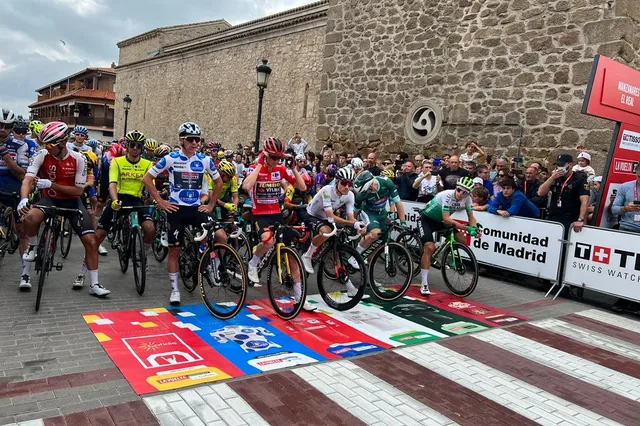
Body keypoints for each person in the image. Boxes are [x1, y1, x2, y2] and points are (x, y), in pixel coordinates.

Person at [19, 122, 109, 297]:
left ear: (62, 143)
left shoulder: (78, 159)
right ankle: (33, 246)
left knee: (91, 242)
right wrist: (23, 199)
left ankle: (94, 283)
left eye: (50, 144)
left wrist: (51, 184)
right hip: (50, 199)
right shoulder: (42, 154)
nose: (47, 148)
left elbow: (78, 190)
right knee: (29, 217)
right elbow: (27, 180)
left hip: (72, 202)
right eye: (45, 144)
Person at [142, 122, 223, 305]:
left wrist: (211, 204)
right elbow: (147, 179)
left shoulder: (204, 160)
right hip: (176, 209)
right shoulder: (170, 158)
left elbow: (218, 183)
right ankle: (175, 290)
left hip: (196, 208)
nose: (195, 143)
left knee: (220, 235)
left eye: (198, 139)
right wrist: (160, 201)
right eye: (191, 139)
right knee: (174, 251)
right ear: (181, 140)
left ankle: (207, 262)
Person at [241, 137, 313, 311]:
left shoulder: (280, 169)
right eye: (273, 157)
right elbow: (246, 186)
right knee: (268, 240)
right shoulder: (255, 167)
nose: (276, 161)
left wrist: (293, 167)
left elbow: (302, 187)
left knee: (291, 257)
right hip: (260, 214)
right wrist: (260, 164)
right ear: (265, 154)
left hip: (276, 214)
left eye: (279, 158)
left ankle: (299, 298)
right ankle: (253, 263)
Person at [87, 131, 155, 289]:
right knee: (98, 237)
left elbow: (150, 186)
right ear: (127, 146)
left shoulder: (147, 164)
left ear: (142, 148)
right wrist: (115, 200)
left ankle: (143, 254)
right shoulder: (117, 162)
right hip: (118, 198)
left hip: (136, 201)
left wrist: (154, 199)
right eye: (132, 145)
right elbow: (112, 183)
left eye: (139, 146)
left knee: (150, 229)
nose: (135, 149)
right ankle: (83, 273)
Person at [301, 167, 363, 294]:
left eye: (350, 184)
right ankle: (307, 256)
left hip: (326, 218)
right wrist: (352, 223)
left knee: (337, 253)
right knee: (326, 231)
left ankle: (349, 287)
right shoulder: (327, 190)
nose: (347, 187)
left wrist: (357, 225)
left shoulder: (350, 195)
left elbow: (350, 218)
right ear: (337, 181)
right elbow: (331, 216)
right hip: (312, 215)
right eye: (344, 183)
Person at [416, 177, 478, 295]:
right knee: (429, 247)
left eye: (464, 192)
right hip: (427, 220)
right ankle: (424, 283)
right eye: (458, 190)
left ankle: (447, 255)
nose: (460, 193)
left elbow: (471, 217)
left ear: (468, 193)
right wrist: (467, 228)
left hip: (441, 223)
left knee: (462, 240)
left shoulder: (468, 199)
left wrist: (474, 228)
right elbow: (447, 219)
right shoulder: (448, 195)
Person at [0, 109, 32, 290]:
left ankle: (25, 274)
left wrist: (5, 154)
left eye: (7, 127)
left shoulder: (20, 146)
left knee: (22, 232)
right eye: (0, 126)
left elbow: (22, 175)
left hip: (13, 191)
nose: (3, 130)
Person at [352, 170, 407, 277]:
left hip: (382, 213)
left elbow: (398, 203)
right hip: (368, 212)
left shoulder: (386, 183)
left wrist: (403, 222)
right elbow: (354, 213)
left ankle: (369, 277)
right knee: (375, 233)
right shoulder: (361, 195)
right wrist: (353, 225)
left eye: (367, 189)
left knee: (379, 245)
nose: (366, 192)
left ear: (372, 184)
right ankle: (355, 255)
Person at [537, 154, 589, 236]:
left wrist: (580, 219)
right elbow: (540, 192)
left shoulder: (579, 180)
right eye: (557, 165)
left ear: (570, 165)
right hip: (552, 217)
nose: (559, 167)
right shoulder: (555, 178)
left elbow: (585, 201)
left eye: (562, 165)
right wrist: (551, 178)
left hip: (569, 219)